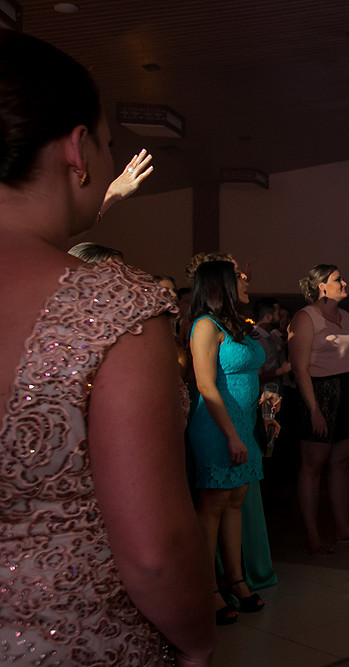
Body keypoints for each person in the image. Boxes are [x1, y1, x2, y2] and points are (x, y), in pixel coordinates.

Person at [0, 31, 214, 663]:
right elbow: (153, 553)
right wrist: (198, 645)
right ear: (77, 148)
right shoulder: (115, 308)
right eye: (104, 141)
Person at [188, 260, 278, 623]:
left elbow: (245, 373)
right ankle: (205, 586)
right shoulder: (204, 326)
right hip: (217, 425)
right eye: (238, 277)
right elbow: (205, 384)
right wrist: (230, 435)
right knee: (213, 504)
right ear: (220, 284)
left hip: (244, 421)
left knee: (236, 500)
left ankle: (235, 578)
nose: (245, 280)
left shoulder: (235, 325)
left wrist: (264, 401)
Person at [288, 265, 349, 553]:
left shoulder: (345, 316)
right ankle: (312, 534)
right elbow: (299, 369)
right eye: (338, 279)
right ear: (321, 286)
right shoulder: (305, 317)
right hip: (322, 394)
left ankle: (342, 527)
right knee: (313, 466)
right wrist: (314, 410)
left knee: (341, 463)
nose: (344, 283)